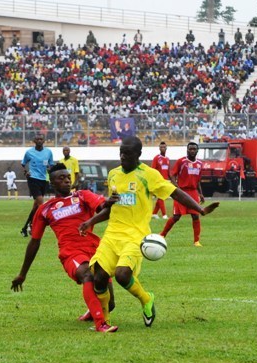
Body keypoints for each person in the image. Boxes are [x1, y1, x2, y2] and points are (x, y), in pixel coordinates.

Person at [80, 137, 218, 328]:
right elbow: (111, 207)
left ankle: (146, 299)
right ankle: (104, 322)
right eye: (120, 152)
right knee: (100, 277)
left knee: (121, 275)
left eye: (127, 153)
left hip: (136, 235)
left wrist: (199, 209)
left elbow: (175, 192)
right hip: (112, 234)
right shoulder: (113, 175)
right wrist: (90, 221)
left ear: (138, 155)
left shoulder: (149, 175)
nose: (122, 156)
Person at [11, 163, 118, 333]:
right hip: (71, 253)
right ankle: (101, 324)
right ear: (52, 183)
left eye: (68, 177)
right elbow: (34, 242)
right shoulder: (45, 209)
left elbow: (102, 207)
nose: (67, 181)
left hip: (96, 250)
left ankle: (92, 312)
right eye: (61, 178)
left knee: (110, 304)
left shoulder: (83, 196)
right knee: (87, 275)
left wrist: (109, 203)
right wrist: (22, 274)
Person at [160, 142, 207, 246]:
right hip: (182, 192)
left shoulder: (200, 164)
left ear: (197, 151)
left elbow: (198, 180)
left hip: (193, 192)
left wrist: (201, 193)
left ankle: (196, 241)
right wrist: (176, 186)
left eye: (194, 149)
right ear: (187, 150)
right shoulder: (181, 161)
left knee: (196, 216)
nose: (192, 151)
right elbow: (172, 175)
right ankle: (162, 235)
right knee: (176, 217)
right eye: (190, 149)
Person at [21, 133, 54, 237]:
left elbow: (51, 165)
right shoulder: (29, 152)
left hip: (43, 180)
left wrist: (49, 169)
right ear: (34, 141)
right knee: (41, 204)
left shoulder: (48, 152)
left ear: (44, 141)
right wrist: (26, 172)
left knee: (36, 206)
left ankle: (26, 227)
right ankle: (39, 226)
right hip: (33, 179)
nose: (39, 141)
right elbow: (23, 164)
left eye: (41, 139)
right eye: (37, 139)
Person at [151, 141, 170, 219]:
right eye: (161, 147)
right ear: (159, 148)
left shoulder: (168, 159)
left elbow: (168, 171)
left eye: (164, 147)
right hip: (158, 181)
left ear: (166, 148)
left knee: (161, 197)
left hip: (165, 181)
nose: (163, 148)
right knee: (161, 197)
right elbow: (153, 170)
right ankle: (164, 215)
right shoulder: (156, 158)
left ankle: (154, 213)